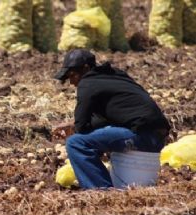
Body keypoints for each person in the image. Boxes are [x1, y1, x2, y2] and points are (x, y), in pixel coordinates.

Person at [52, 49, 170, 189]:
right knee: (102, 133)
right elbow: (114, 117)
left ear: (86, 68)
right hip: (157, 137)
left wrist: (74, 128)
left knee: (75, 143)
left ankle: (100, 191)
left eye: (73, 75)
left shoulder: (87, 82)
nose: (72, 82)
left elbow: (81, 127)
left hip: (141, 136)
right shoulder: (116, 75)